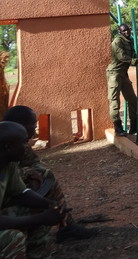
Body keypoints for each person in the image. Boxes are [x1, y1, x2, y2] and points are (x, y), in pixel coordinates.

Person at [2, 106, 98, 244]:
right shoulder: (10, 142)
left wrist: (48, 203)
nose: (35, 130)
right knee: (39, 204)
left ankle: (64, 224)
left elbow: (30, 172)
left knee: (45, 184)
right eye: (33, 125)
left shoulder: (14, 144)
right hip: (6, 200)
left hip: (10, 191)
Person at [0, 120, 67, 258]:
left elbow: (21, 192)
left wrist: (49, 204)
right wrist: (39, 218)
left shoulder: (8, 163)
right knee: (13, 237)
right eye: (24, 142)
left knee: (43, 210)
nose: (27, 146)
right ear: (7, 147)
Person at [106, 24, 138, 136]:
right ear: (120, 32)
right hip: (114, 74)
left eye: (128, 30)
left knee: (133, 100)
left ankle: (134, 126)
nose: (127, 32)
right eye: (124, 31)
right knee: (115, 101)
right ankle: (118, 128)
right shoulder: (117, 41)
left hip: (123, 74)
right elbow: (122, 57)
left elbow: (133, 56)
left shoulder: (129, 41)